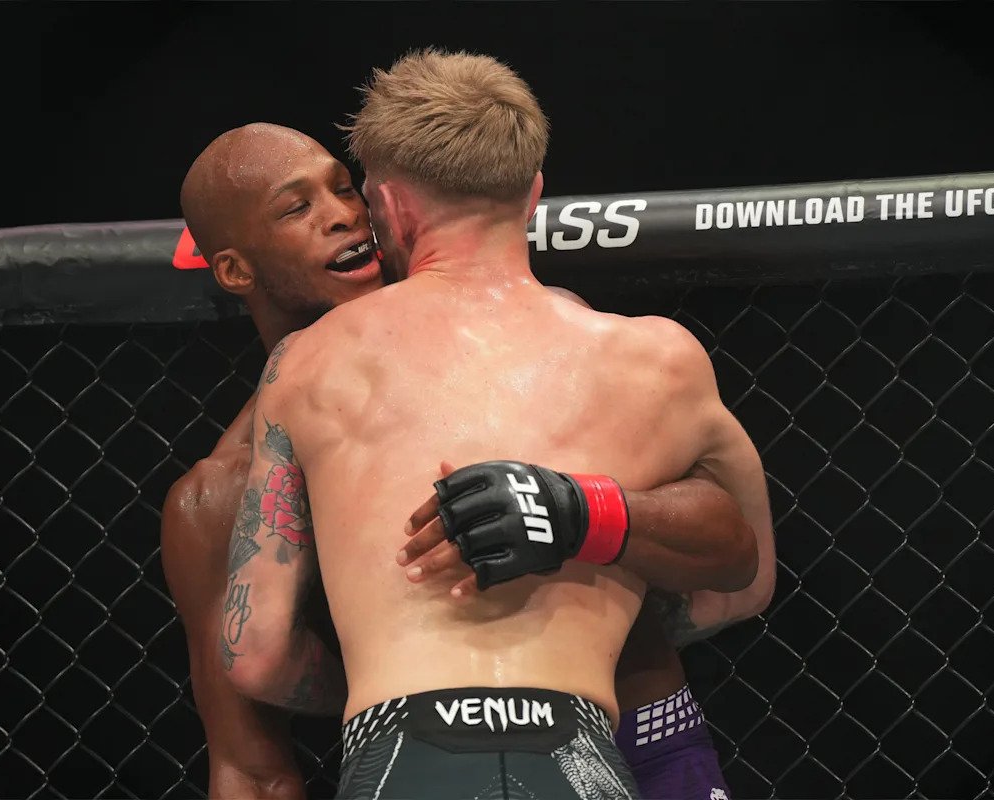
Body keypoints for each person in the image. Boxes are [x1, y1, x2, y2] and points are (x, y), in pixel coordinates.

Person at [217, 50, 771, 799]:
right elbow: (744, 585)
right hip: (579, 749)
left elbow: (254, 654)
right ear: (534, 192)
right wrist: (593, 601)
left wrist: (373, 669)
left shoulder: (308, 363)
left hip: (398, 751)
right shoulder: (657, 359)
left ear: (391, 207)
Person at [161, 122, 382, 799]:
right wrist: (382, 687)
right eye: (297, 207)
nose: (342, 214)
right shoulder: (221, 500)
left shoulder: (502, 355)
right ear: (235, 270)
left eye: (344, 188)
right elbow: (252, 771)